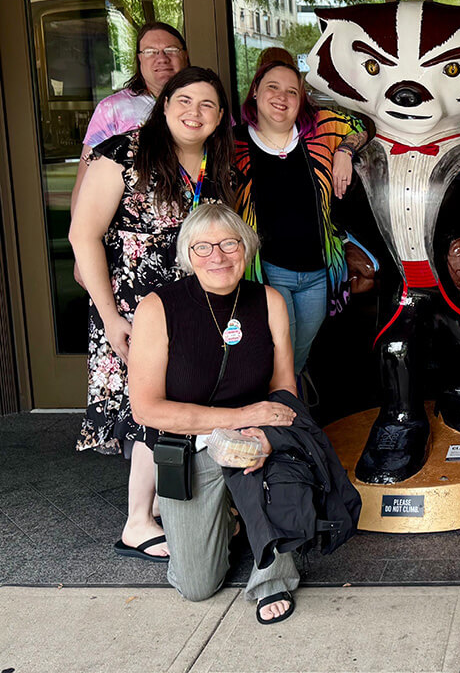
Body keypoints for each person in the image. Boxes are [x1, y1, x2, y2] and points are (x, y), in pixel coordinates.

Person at [69, 66, 235, 563]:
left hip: (190, 307)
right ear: (164, 106)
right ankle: (136, 523)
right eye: (183, 101)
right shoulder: (124, 152)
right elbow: (83, 236)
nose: (194, 112)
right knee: (149, 413)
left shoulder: (217, 161)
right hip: (134, 312)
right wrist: (111, 316)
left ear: (220, 116)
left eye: (207, 105)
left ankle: (165, 505)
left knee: (177, 407)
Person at [126, 204, 300, 624]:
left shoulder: (269, 300)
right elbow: (146, 408)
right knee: (197, 585)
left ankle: (272, 578)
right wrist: (235, 417)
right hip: (190, 447)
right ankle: (230, 520)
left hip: (253, 440)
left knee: (278, 463)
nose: (217, 256)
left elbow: (285, 387)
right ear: (187, 253)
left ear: (247, 248)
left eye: (228, 243)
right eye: (202, 247)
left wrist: (263, 435)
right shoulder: (158, 307)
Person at [233, 60, 368, 376]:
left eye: (292, 91)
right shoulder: (234, 143)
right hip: (270, 272)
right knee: (282, 352)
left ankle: (290, 407)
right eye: (273, 87)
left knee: (299, 353)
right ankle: (287, 413)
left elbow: (363, 127)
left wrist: (345, 150)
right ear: (255, 92)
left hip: (319, 274)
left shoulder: (320, 131)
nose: (282, 97)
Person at [69, 22, 189, 216]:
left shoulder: (206, 103)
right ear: (139, 59)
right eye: (150, 51)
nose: (162, 58)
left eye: (171, 49)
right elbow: (85, 182)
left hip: (203, 232)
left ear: (185, 55)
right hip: (135, 232)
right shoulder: (113, 110)